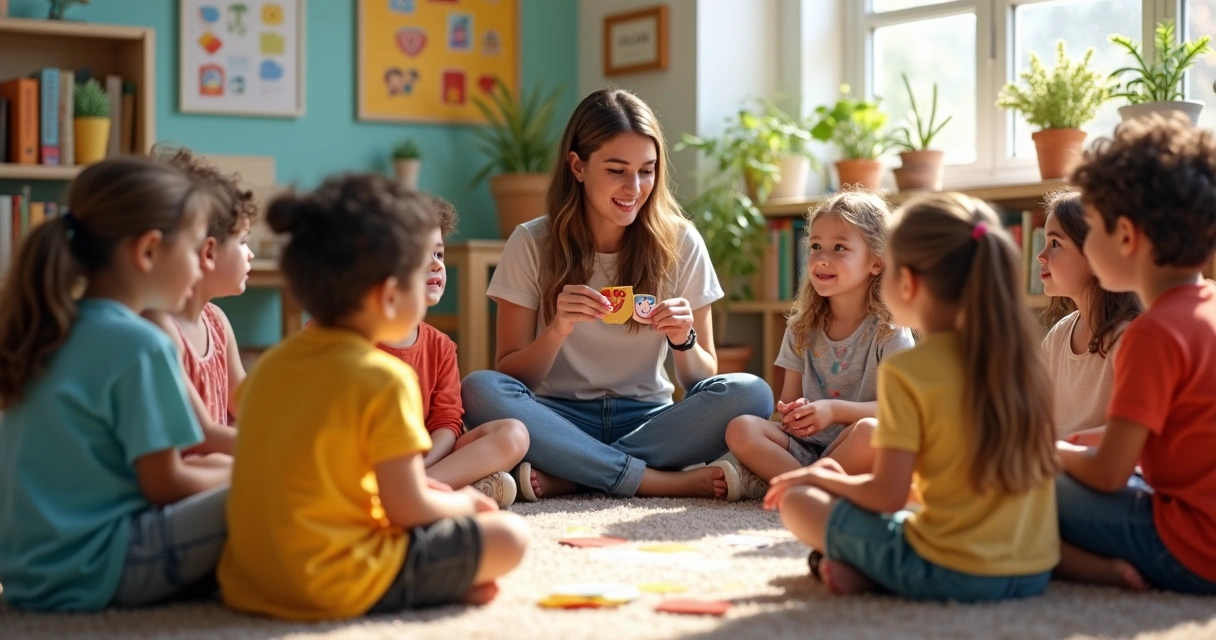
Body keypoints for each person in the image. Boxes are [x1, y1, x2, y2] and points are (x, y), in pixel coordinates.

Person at [218, 174, 528, 620]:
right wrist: (465, 502)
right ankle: (433, 587)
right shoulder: (383, 378)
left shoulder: (269, 365)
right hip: (338, 581)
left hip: (249, 580)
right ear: (388, 294)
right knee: (507, 537)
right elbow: (408, 507)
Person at [461, 88, 773, 502]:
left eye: (647, 171)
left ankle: (575, 474)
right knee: (479, 388)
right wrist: (557, 330)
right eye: (617, 170)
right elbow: (511, 378)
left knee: (752, 392)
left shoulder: (681, 242)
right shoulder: (531, 242)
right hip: (558, 419)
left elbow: (700, 378)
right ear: (577, 166)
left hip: (649, 420)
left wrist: (684, 339)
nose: (635, 187)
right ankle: (651, 480)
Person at [766, 193, 1058, 603]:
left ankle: (872, 571)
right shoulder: (1023, 361)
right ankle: (865, 569)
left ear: (907, 283)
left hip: (954, 571)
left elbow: (885, 495)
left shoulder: (911, 371)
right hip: (1034, 570)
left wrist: (820, 476)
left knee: (799, 502)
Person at [0, 157, 231, 611]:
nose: (200, 269)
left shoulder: (50, 327)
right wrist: (259, 470)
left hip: (29, 573)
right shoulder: (140, 344)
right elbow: (165, 483)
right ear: (147, 250)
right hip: (103, 565)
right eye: (191, 251)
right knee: (283, 488)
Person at [1054, 114, 1216, 595]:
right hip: (1197, 520)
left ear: (1125, 236)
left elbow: (1107, 475)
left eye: (1093, 227)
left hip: (1190, 547)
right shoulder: (1205, 310)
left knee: (1014, 481)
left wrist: (1052, 452)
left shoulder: (1153, 332)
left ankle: (1091, 569)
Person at [722, 191, 914, 501]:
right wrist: (793, 413)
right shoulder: (801, 328)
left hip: (856, 443)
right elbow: (787, 404)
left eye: (840, 247)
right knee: (741, 428)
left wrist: (834, 411)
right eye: (815, 246)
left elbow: (900, 414)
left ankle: (788, 482)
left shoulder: (890, 331)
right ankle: (812, 484)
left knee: (871, 431)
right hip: (806, 448)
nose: (822, 257)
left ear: (876, 262)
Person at [375, 195, 529, 507]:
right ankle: (440, 488)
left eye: (439, 254)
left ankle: (415, 490)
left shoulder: (441, 346)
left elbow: (446, 422)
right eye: (422, 254)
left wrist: (419, 466)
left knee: (514, 434)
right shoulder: (347, 338)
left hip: (426, 460)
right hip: (366, 462)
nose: (436, 264)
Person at [144, 147, 258, 456]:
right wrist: (276, 447)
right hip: (186, 482)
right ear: (208, 252)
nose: (251, 254)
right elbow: (200, 435)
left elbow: (247, 405)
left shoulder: (217, 322)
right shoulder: (158, 326)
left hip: (214, 474)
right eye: (243, 242)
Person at [1036, 190, 1140, 445]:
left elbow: (1131, 437)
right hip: (1061, 466)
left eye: (1055, 243)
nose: (1041, 255)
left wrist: (1058, 449)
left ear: (1094, 253)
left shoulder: (1128, 338)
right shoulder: (1059, 335)